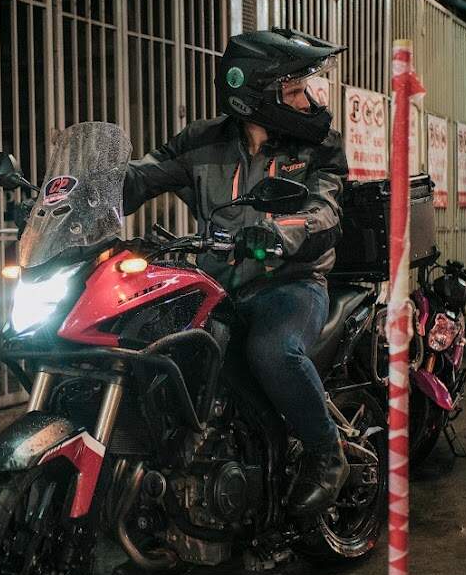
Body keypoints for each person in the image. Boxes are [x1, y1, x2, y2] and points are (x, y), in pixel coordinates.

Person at [123, 28, 350, 522]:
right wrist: (74, 198)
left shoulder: (318, 147)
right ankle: (156, 519)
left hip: (290, 284)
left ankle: (326, 455)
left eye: (306, 87)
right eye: (294, 90)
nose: (308, 99)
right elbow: (141, 175)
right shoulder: (201, 143)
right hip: (216, 288)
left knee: (273, 350)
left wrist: (279, 233)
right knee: (151, 357)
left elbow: (325, 211)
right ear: (256, 96)